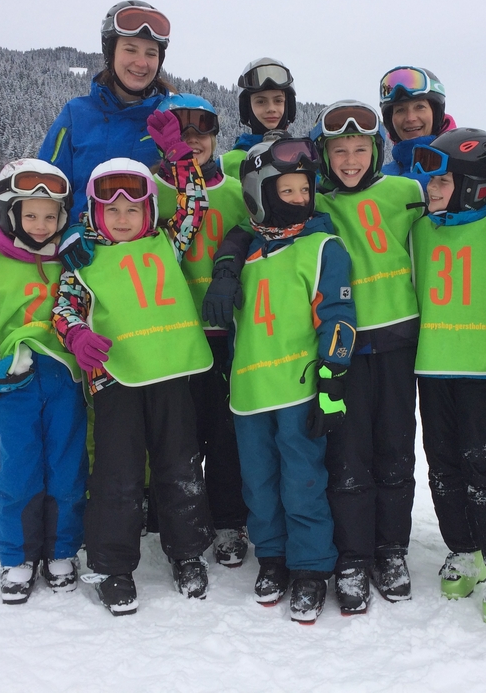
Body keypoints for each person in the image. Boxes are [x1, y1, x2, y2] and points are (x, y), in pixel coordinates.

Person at [52, 151, 216, 616]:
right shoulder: (83, 259)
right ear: (94, 212)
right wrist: (77, 334)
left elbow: (195, 206)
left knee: (180, 465)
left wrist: (181, 161)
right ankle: (112, 565)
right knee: (117, 474)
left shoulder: (167, 242)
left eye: (132, 209)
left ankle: (187, 553)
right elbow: (63, 309)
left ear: (149, 211)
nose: (122, 218)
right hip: (115, 378)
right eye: (111, 210)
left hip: (169, 372)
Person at [230, 136, 356, 623]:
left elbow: (338, 317)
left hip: (299, 389)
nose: (300, 198)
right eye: (287, 190)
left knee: (303, 481)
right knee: (259, 483)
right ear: (260, 193)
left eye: (305, 189)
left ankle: (311, 566)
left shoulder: (322, 247)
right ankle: (273, 557)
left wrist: (332, 379)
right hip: (249, 392)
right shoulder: (246, 254)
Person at [0, 159, 87, 604]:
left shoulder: (73, 262)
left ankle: (62, 550)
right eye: (30, 215)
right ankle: (18, 556)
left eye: (50, 216)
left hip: (66, 383)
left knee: (67, 467)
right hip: (15, 387)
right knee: (19, 471)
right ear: (11, 214)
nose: (41, 225)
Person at [409, 128, 486, 624]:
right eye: (430, 182)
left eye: (442, 181)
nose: (431, 190)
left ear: (476, 186)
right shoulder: (419, 229)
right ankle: (464, 547)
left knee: (483, 463)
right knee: (442, 463)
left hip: (481, 369)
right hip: (431, 366)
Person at [152, 93, 252, 567]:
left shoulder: (234, 192)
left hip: (229, 334)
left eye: (203, 132)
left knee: (227, 436)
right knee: (180, 441)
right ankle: (183, 524)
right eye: (183, 133)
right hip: (175, 336)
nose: (194, 141)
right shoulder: (150, 189)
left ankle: (229, 521)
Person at [39, 1, 172, 218]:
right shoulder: (76, 115)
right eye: (130, 50)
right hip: (81, 239)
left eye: (151, 53)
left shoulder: (169, 120)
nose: (141, 63)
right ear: (111, 54)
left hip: (151, 240)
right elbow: (45, 190)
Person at [220, 58, 297, 180]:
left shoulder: (302, 157)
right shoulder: (225, 165)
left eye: (278, 100)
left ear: (289, 105)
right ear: (246, 108)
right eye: (260, 101)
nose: (271, 108)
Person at [378, 65, 454, 182]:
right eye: (400, 110)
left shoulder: (459, 170)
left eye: (420, 107)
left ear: (436, 113)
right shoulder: (380, 179)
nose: (410, 118)